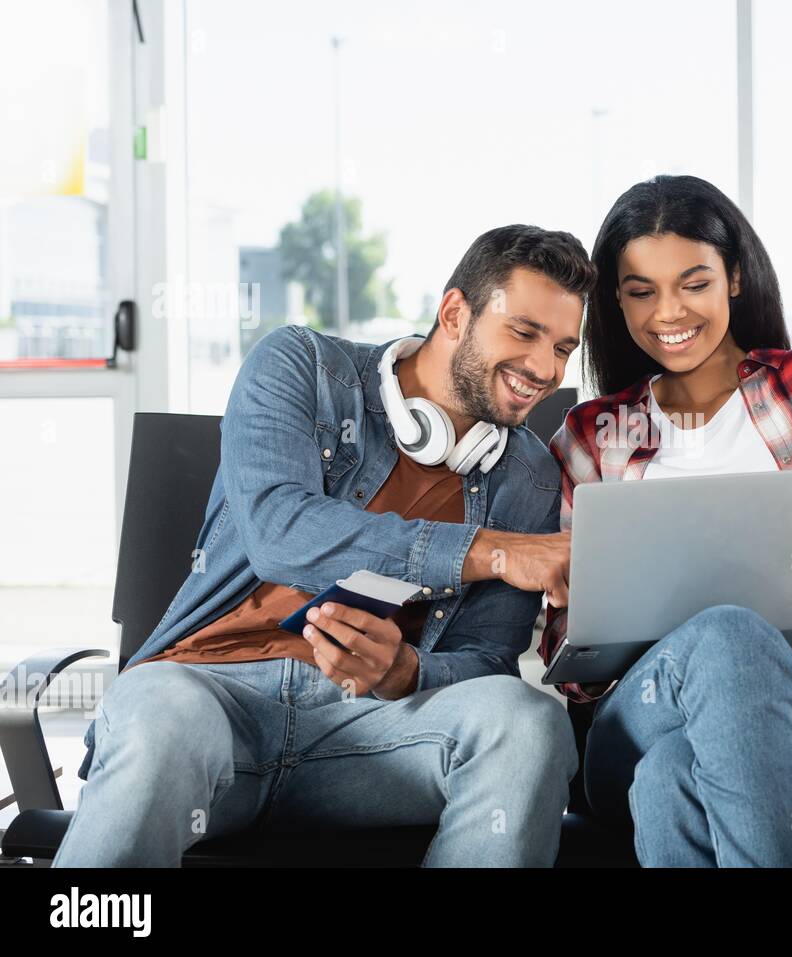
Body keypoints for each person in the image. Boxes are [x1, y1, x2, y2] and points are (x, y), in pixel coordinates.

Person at [55, 225, 594, 867]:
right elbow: (281, 531)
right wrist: (492, 550)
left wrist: (407, 674)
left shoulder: (528, 476)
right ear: (455, 313)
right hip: (211, 702)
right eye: (525, 332)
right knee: (158, 713)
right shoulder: (301, 367)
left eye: (564, 347)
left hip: (371, 735)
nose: (546, 369)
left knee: (527, 723)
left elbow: (484, 658)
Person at [540, 175, 792, 866]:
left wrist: (786, 630)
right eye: (641, 291)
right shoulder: (589, 436)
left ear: (736, 277)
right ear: (617, 302)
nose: (669, 311)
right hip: (646, 708)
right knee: (722, 635)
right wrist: (656, 638)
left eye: (693, 282)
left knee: (673, 783)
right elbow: (565, 648)